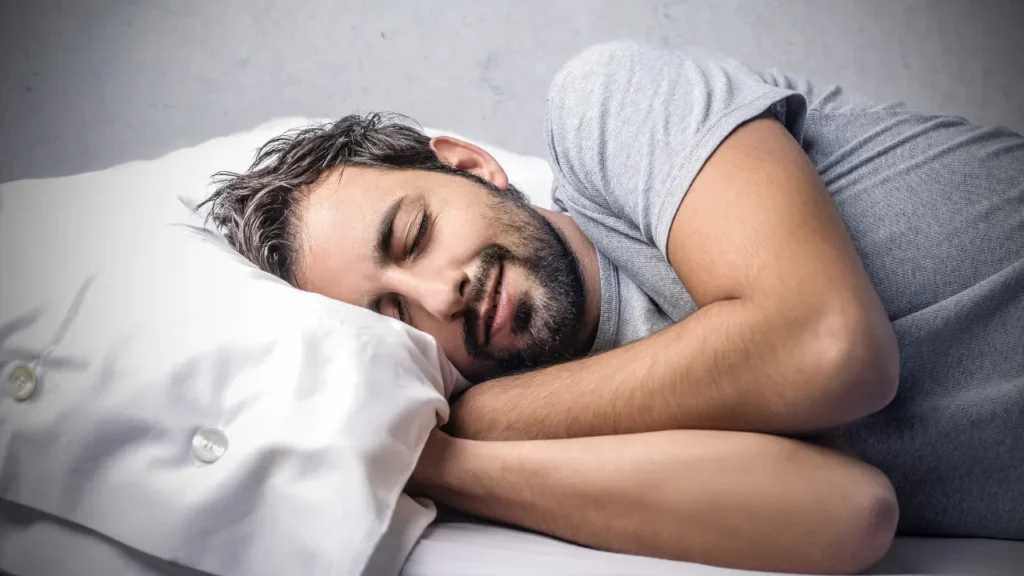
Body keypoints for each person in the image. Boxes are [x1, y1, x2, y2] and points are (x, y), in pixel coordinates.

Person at [201, 41, 1024, 573]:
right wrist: (440, 463)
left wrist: (478, 420)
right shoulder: (578, 430)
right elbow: (849, 516)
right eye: (393, 319)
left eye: (414, 235)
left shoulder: (608, 108)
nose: (435, 296)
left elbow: (830, 348)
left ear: (471, 166)